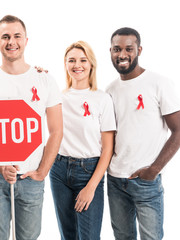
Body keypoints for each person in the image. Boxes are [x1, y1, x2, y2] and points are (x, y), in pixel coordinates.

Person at [0, 15, 63, 240]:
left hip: (31, 178)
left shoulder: (45, 80)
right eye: (5, 37)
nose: (11, 41)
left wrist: (42, 171)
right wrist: (2, 166)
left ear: (26, 40)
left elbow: (56, 130)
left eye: (16, 36)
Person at [106, 27, 180, 240]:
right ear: (110, 52)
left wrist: (154, 170)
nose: (122, 54)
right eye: (116, 49)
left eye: (128, 49)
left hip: (145, 181)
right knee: (123, 237)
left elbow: (179, 131)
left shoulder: (159, 83)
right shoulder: (110, 90)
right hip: (115, 179)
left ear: (139, 50)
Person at [49, 41, 116, 240]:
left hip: (89, 171)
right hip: (59, 170)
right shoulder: (57, 98)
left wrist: (91, 187)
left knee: (88, 236)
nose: (77, 65)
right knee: (67, 235)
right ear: (65, 65)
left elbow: (108, 149)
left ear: (91, 64)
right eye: (71, 60)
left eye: (82, 60)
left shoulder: (102, 98)